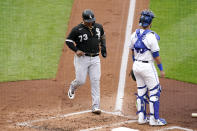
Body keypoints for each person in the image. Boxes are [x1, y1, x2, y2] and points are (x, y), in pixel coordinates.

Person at [65, 9, 107, 115]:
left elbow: (102, 36)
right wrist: (76, 50)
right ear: (83, 20)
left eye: (92, 20)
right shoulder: (77, 29)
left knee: (95, 81)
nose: (91, 22)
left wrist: (103, 47)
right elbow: (68, 41)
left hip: (95, 59)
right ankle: (73, 86)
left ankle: (96, 106)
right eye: (89, 21)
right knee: (81, 80)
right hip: (82, 59)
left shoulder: (98, 27)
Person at [129, 10, 167, 126]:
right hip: (147, 67)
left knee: (141, 91)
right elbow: (156, 56)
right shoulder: (151, 37)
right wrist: (161, 69)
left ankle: (141, 118)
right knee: (155, 91)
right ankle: (154, 120)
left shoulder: (133, 35)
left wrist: (135, 64)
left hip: (136, 66)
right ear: (150, 23)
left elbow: (132, 51)